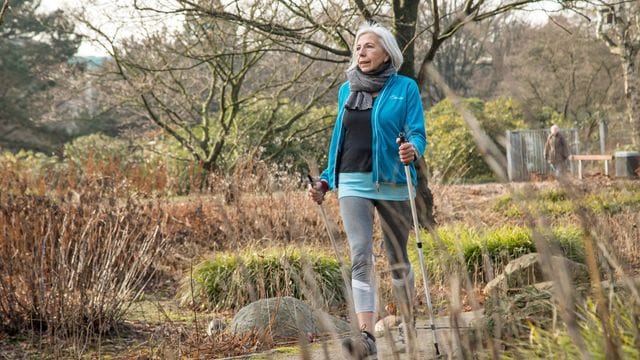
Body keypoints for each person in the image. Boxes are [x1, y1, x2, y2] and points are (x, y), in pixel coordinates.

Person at [307, 22, 426, 358]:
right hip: (353, 182)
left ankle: (409, 322)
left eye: (369, 46)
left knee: (397, 257)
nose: (362, 52)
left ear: (387, 51)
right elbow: (338, 141)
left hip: (393, 184)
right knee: (360, 255)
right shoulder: (347, 90)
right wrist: (326, 180)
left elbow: (417, 134)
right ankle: (366, 335)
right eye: (358, 47)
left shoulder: (406, 88)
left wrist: (412, 150)